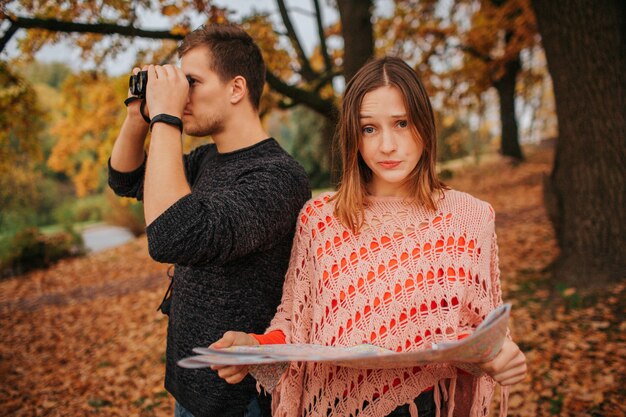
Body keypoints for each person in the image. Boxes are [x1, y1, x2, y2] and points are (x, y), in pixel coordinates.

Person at [210, 56, 527, 417]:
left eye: (402, 123)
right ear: (352, 136)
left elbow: (482, 334)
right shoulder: (319, 220)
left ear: (425, 124)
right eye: (369, 129)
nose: (387, 145)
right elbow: (294, 324)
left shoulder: (470, 218)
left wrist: (500, 356)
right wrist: (255, 346)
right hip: (333, 405)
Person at [107, 24, 311, 417]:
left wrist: (167, 117)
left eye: (192, 81)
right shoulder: (206, 160)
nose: (182, 93)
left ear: (236, 89)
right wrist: (140, 113)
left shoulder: (278, 177)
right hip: (189, 384)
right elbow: (126, 178)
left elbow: (172, 237)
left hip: (239, 398)